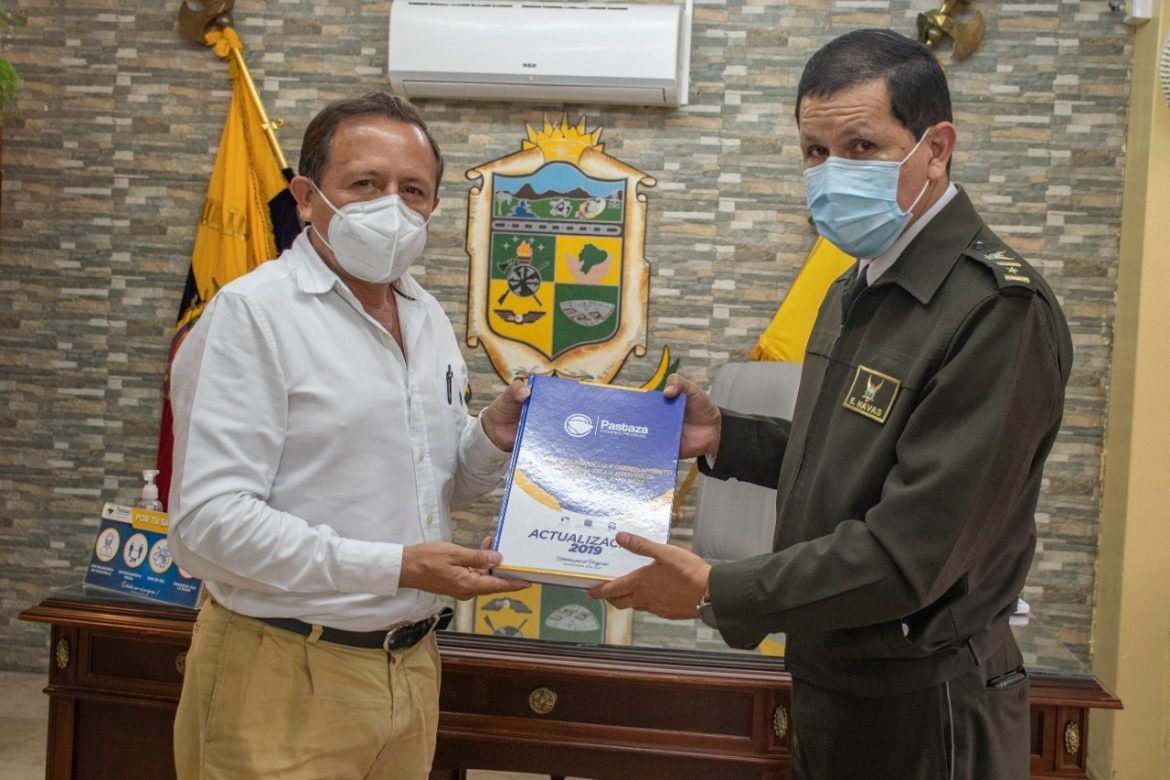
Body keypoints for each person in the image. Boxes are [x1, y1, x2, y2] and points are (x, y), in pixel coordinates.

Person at [590, 29, 1072, 780]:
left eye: (862, 147)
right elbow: (846, 459)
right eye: (815, 151)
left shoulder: (996, 311)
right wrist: (725, 437)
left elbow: (908, 554)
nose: (831, 172)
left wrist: (714, 589)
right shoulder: (858, 283)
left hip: (926, 706)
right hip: (834, 679)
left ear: (937, 149)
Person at [167, 92, 530, 780]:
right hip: (279, 673)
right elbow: (207, 525)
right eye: (365, 183)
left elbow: (431, 483)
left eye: (412, 190)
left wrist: (491, 434)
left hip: (410, 671)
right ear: (307, 198)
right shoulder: (253, 316)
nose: (390, 207)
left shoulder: (424, 315)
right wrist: (396, 567)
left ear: (433, 206)